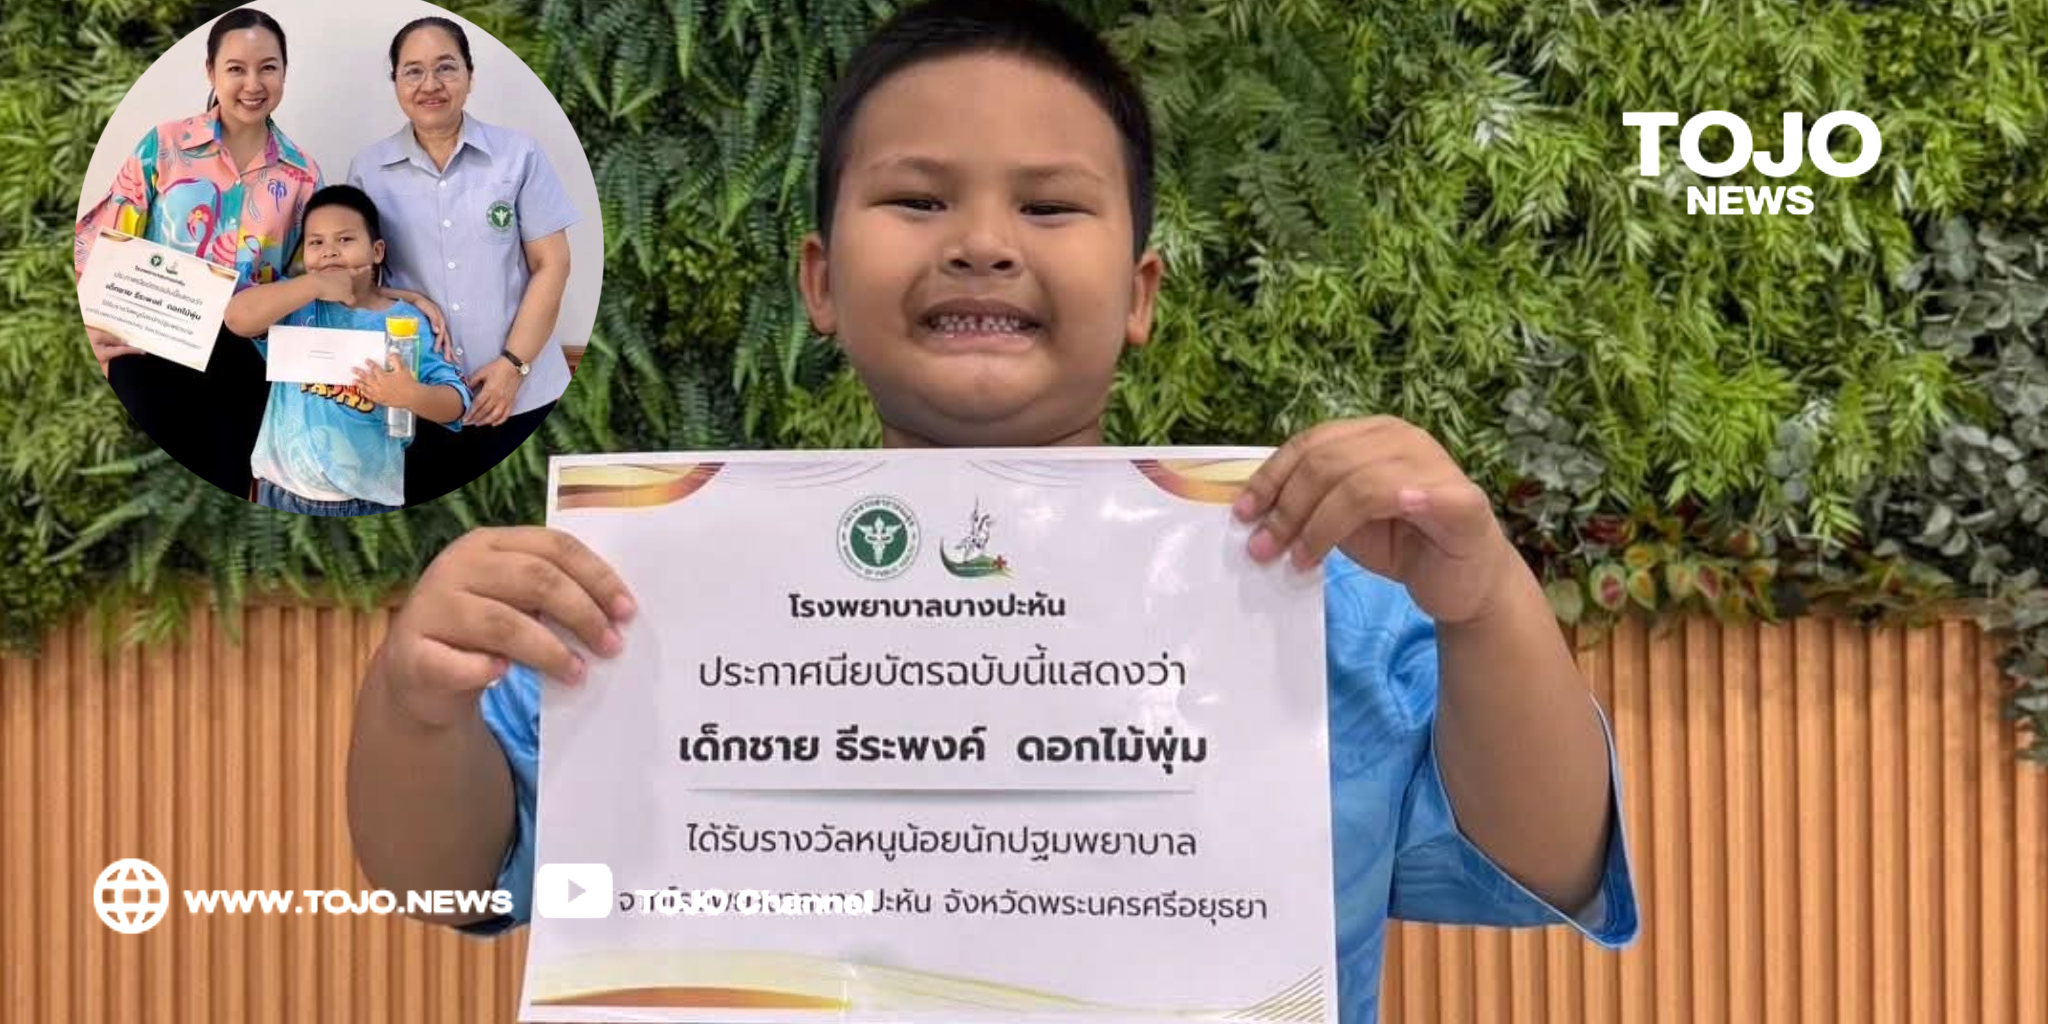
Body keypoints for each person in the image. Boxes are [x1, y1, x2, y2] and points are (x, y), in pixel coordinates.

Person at [344, 2, 1638, 1020]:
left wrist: (1483, 600)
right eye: (916, 199)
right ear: (820, 282)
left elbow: (1545, 857)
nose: (980, 241)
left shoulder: (1309, 593)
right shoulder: (652, 590)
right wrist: (416, 699)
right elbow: (450, 881)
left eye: (1049, 204)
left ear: (1139, 292)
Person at [74, 9, 319, 500]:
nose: (253, 84)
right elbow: (101, 240)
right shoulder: (164, 146)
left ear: (284, 73)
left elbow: (303, 282)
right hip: (149, 349)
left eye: (268, 68)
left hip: (242, 368)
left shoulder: (302, 175)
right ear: (211, 72)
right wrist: (90, 325)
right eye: (236, 68)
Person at [347, 15, 579, 507]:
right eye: (413, 71)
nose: (430, 84)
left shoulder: (518, 156)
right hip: (419, 395)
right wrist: (410, 298)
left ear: (470, 76)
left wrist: (512, 366)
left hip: (524, 396)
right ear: (395, 82)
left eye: (446, 67)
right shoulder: (368, 170)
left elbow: (553, 263)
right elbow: (359, 282)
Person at [225, 185, 471, 516]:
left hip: (365, 502)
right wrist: (314, 283)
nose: (329, 252)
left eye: (344, 239)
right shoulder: (294, 303)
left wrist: (411, 394)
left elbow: (457, 403)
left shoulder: (407, 322)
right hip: (278, 490)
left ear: (377, 251)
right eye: (316, 243)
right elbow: (237, 318)